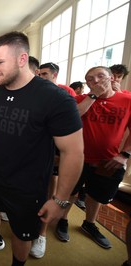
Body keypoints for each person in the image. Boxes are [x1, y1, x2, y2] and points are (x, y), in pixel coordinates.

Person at [0, 31, 84, 266]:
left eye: (0, 62)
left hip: (27, 185)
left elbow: (73, 152)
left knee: (22, 233)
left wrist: (60, 199)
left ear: (22, 59)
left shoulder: (56, 98)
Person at [56, 66, 131, 250]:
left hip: (107, 161)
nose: (95, 81)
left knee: (95, 196)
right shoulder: (81, 99)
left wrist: (125, 154)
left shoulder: (127, 100)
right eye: (90, 79)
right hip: (77, 158)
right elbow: (71, 116)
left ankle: (89, 223)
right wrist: (93, 96)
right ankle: (63, 220)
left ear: (112, 78)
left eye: (100, 77)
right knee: (70, 192)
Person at [31, 61, 78, 258]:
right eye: (38, 74)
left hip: (53, 152)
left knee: (47, 194)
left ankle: (41, 235)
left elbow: (70, 133)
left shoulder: (63, 94)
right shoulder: (31, 93)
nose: (41, 77)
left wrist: (59, 154)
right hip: (32, 153)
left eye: (44, 74)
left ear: (54, 75)